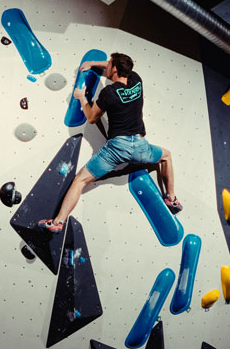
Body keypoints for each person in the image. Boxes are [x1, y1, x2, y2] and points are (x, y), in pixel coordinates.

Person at [39, 52, 182, 232]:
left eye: (109, 64)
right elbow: (112, 66)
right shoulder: (136, 80)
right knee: (166, 156)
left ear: (114, 68)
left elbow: (91, 117)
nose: (106, 65)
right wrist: (92, 63)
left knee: (80, 181)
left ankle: (58, 222)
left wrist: (82, 97)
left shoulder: (109, 93)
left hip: (117, 149)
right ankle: (172, 198)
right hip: (140, 146)